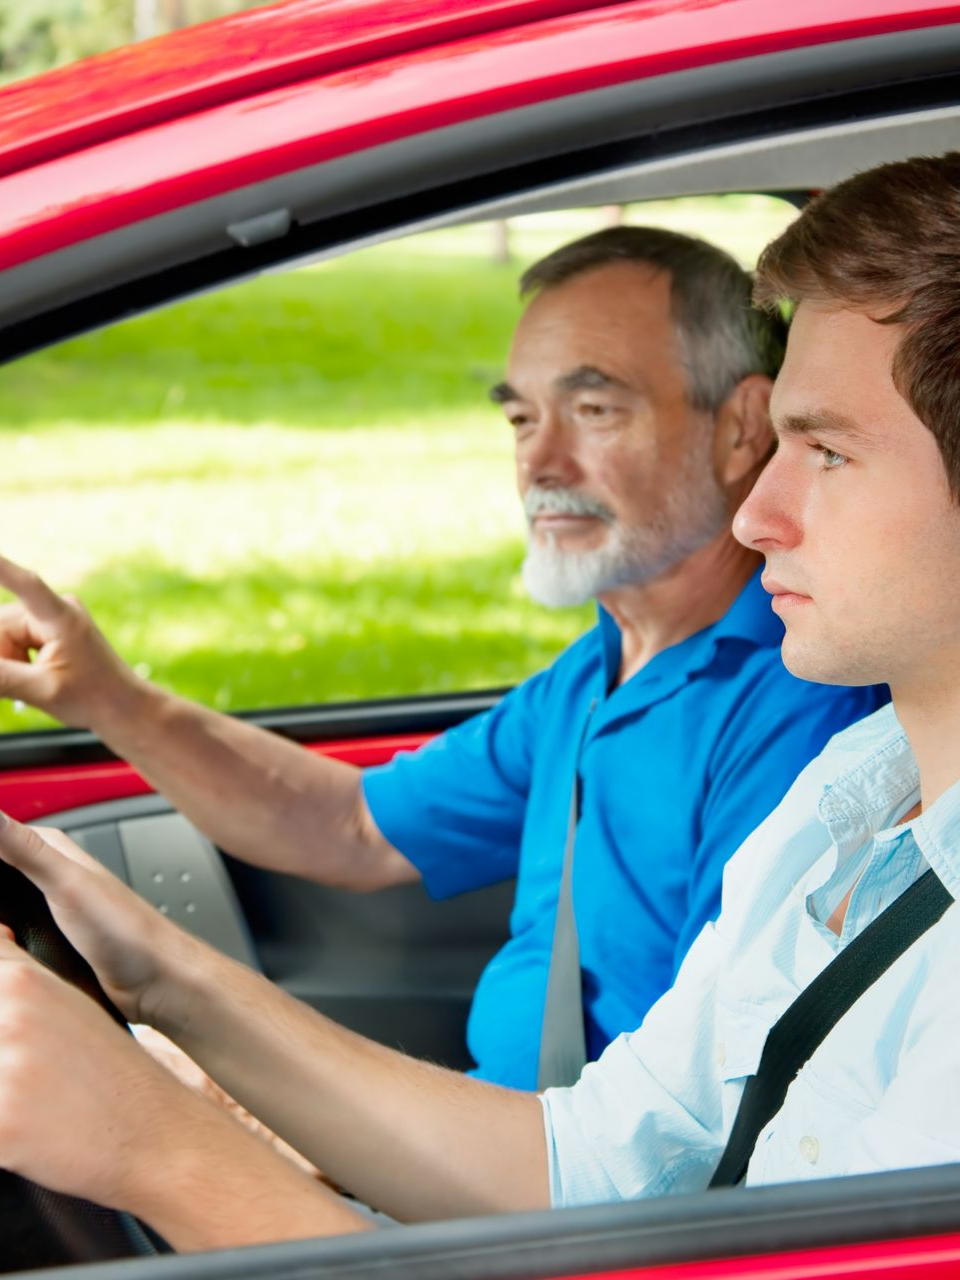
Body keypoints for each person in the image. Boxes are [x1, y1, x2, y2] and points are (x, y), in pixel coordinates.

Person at [0, 149, 956, 1252]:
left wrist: (154, 1141)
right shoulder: (848, 794)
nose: (758, 516)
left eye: (828, 451)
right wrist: (155, 972)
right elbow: (595, 1158)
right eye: (518, 417)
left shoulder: (796, 716)